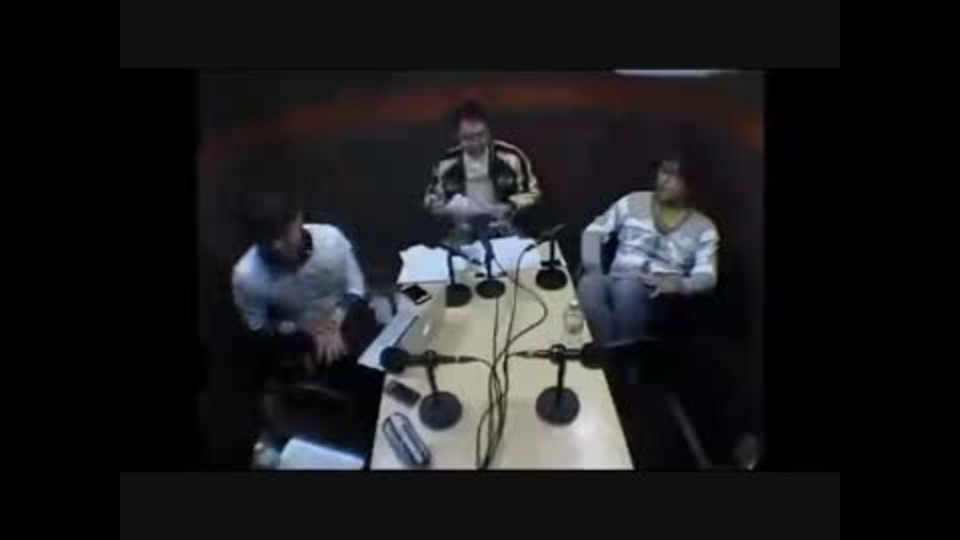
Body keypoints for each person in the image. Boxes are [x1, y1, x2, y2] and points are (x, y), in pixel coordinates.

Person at [227, 192, 382, 462]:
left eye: (283, 234)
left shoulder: (331, 239)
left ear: (298, 219)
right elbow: (258, 326)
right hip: (298, 334)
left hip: (346, 313)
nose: (276, 246)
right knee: (344, 381)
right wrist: (302, 329)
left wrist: (335, 322)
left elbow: (356, 287)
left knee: (382, 366)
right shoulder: (246, 275)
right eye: (266, 240)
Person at [577, 159, 719, 346]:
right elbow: (593, 232)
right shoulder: (633, 201)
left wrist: (680, 285)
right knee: (589, 284)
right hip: (615, 278)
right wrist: (593, 267)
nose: (664, 180)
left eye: (675, 176)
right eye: (664, 172)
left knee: (628, 289)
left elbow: (707, 277)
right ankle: (611, 354)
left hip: (659, 295)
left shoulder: (704, 228)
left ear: (691, 184)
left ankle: (618, 356)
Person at [423, 100, 541, 244]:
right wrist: (450, 210)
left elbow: (533, 193)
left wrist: (509, 206)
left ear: (489, 132)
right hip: (463, 231)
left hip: (504, 227)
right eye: (468, 138)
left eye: (481, 135)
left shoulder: (511, 157)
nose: (476, 142)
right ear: (456, 136)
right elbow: (431, 202)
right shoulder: (446, 163)